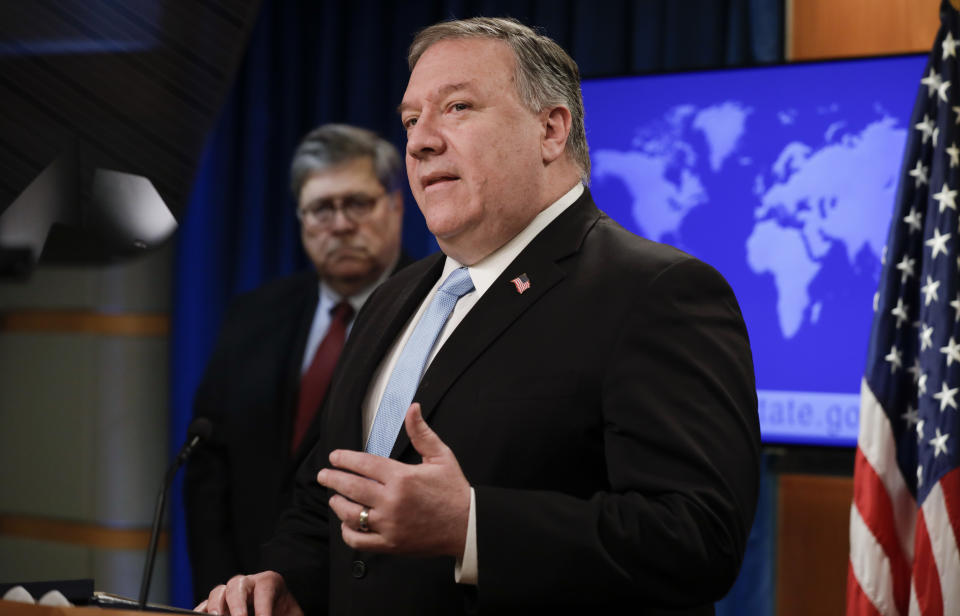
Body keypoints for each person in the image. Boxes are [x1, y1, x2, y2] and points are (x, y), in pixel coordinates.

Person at [197, 17, 760, 616]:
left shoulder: (657, 292)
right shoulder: (394, 298)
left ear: (550, 129)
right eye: (412, 119)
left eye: (457, 107)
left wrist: (472, 525)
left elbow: (699, 537)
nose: (420, 141)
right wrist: (287, 580)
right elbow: (328, 494)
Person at [184, 124, 407, 601]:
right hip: (243, 594)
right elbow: (208, 469)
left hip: (367, 595)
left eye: (358, 203)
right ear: (301, 219)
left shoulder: (431, 310)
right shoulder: (253, 314)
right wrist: (224, 590)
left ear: (395, 205)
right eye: (322, 208)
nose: (341, 224)